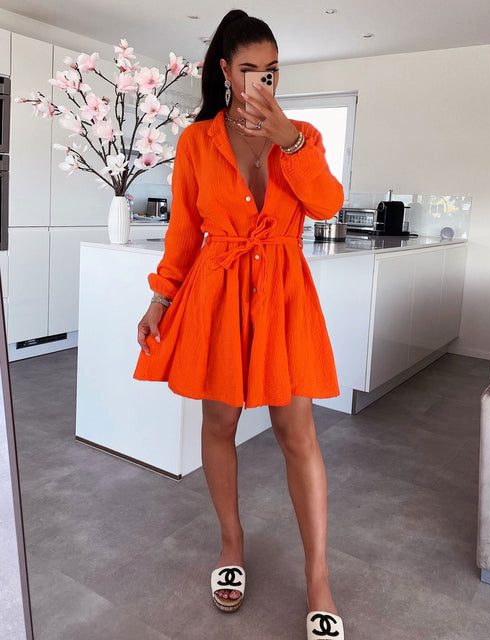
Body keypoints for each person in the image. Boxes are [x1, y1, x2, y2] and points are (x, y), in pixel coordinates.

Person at [134, 9, 345, 639]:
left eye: (272, 70)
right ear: (226, 71)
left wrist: (291, 142)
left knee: (297, 433)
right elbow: (182, 234)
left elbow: (326, 204)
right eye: (250, 69)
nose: (263, 81)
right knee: (219, 422)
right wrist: (159, 300)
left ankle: (318, 577)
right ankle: (232, 543)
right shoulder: (198, 142)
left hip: (282, 294)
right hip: (219, 292)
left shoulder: (303, 134)